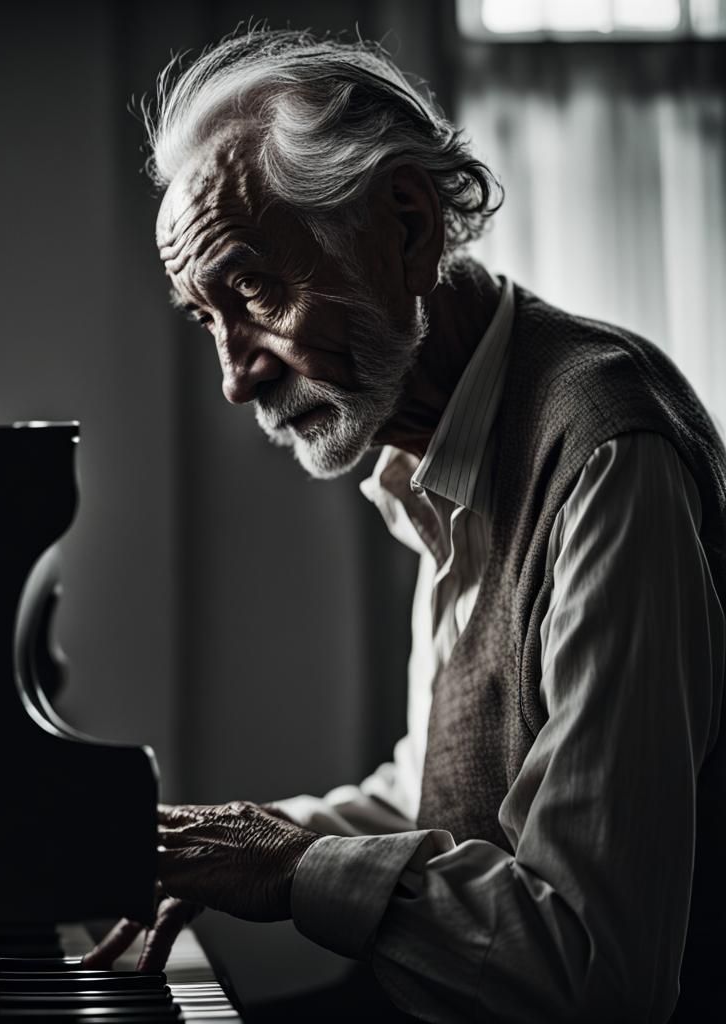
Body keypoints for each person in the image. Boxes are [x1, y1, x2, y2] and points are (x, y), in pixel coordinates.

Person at [85, 29, 726, 1022]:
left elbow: (593, 970)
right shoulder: (430, 451)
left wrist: (294, 867)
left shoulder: (605, 449)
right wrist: (225, 847)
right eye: (205, 315)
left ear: (408, 226)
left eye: (251, 288)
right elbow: (448, 797)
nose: (231, 374)